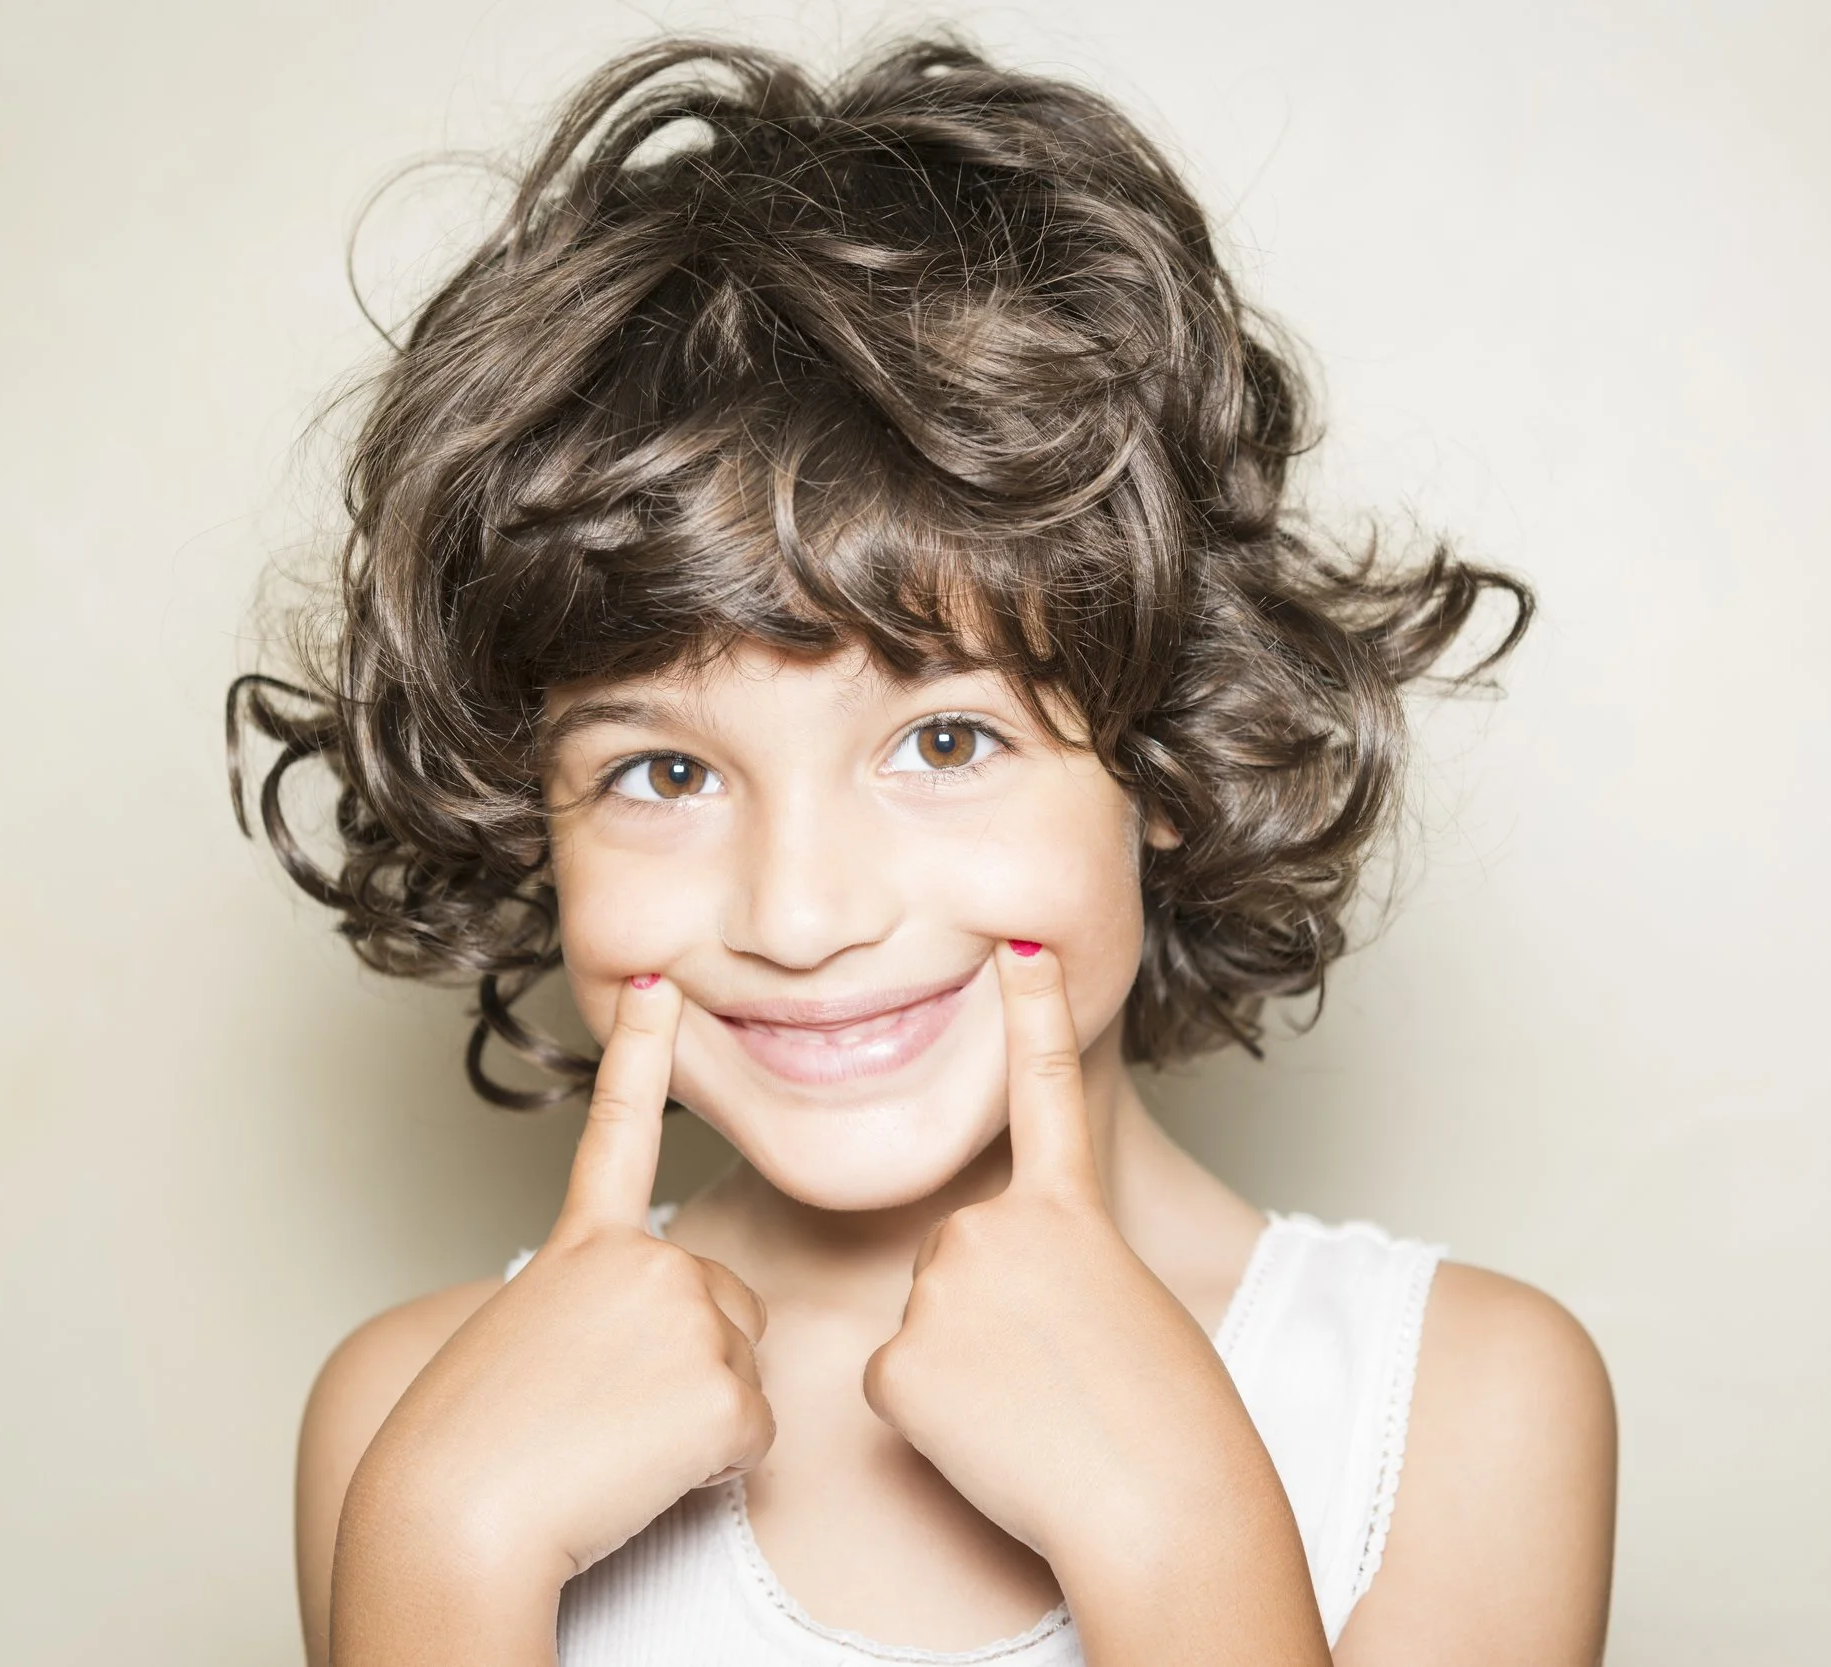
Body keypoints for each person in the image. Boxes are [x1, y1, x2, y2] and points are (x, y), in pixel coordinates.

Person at [231, 34, 1616, 1667]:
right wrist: (449, 1555)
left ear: (1163, 755)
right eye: (665, 769)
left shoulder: (1454, 1400)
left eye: (945, 742)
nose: (802, 913)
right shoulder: (412, 1425)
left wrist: (1178, 1536)